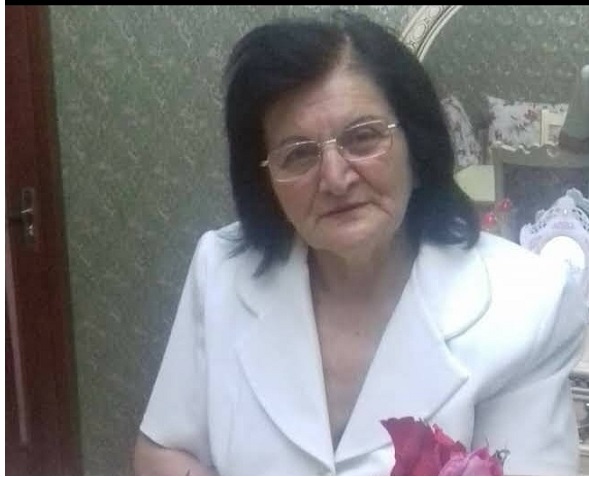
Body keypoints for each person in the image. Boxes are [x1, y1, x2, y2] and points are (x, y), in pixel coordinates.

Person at [134, 10, 587, 475]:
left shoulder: (528, 303)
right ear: (266, 181)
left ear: (417, 147)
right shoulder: (221, 268)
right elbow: (164, 450)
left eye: (364, 137)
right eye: (298, 154)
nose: (335, 178)